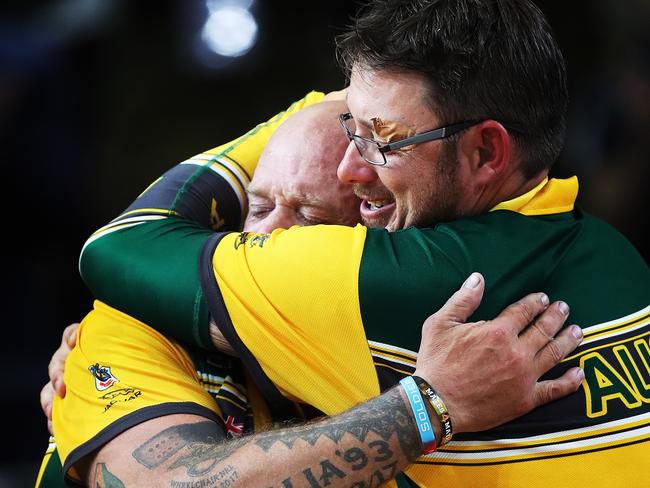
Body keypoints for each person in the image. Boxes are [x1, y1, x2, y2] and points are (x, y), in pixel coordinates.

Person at [63, 0, 650, 485]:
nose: (351, 168)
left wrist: (427, 408)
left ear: (485, 152)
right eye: (258, 204)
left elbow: (121, 245)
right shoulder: (622, 260)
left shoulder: (368, 275)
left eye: (380, 138)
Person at [43, 99, 582, 487]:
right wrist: (430, 406)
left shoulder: (428, 338)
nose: (260, 239)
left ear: (377, 251)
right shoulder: (134, 318)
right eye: (256, 207)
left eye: (309, 215)